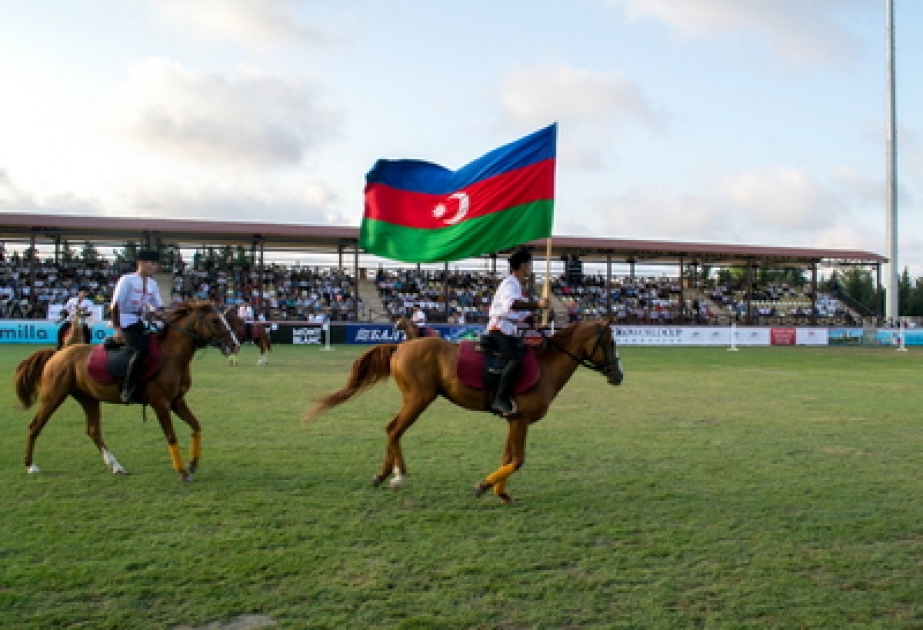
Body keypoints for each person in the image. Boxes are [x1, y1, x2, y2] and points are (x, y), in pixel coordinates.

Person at [487, 248, 548, 416]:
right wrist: (537, 305)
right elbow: (512, 305)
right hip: (499, 329)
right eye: (529, 264)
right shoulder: (509, 283)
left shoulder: (517, 286)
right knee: (514, 360)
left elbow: (521, 314)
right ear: (522, 265)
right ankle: (500, 399)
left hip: (509, 330)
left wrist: (534, 324)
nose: (530, 267)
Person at [110, 250, 164, 403]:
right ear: (141, 263)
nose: (154, 267)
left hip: (141, 321)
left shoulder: (153, 283)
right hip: (125, 321)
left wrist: (160, 313)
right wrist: (118, 329)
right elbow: (115, 306)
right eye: (151, 263)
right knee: (139, 350)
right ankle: (127, 389)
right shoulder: (127, 280)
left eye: (156, 264)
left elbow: (158, 306)